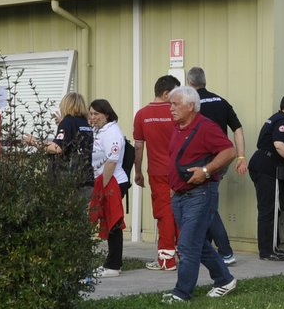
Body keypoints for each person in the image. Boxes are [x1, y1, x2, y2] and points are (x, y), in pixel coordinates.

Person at [163, 85, 238, 303]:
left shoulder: (206, 127)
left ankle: (182, 293)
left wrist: (206, 171)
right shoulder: (178, 127)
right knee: (196, 243)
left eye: (175, 104)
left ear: (191, 106)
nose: (171, 108)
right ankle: (224, 280)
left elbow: (229, 151)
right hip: (180, 194)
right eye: (170, 104)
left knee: (187, 246)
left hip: (200, 193)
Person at [187, 66, 244, 264]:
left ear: (189, 83)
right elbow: (237, 129)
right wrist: (241, 157)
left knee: (206, 204)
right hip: (223, 158)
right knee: (205, 201)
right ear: (204, 81)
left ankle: (226, 252)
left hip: (204, 162)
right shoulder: (221, 101)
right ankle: (206, 249)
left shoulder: (191, 104)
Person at [132, 76, 180, 271]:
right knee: (179, 212)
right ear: (166, 93)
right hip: (179, 171)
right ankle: (180, 254)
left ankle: (166, 259)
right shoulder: (175, 113)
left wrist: (138, 171)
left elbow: (138, 147)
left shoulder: (142, 114)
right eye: (176, 93)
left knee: (164, 213)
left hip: (158, 172)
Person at [251, 93, 284, 262]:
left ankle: (273, 247)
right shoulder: (282, 121)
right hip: (267, 167)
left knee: (273, 209)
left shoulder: (274, 118)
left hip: (260, 163)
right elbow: (279, 145)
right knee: (268, 209)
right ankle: (267, 251)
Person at [88, 98, 128, 277]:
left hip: (112, 181)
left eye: (96, 114)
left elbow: (112, 161)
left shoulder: (112, 132)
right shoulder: (99, 130)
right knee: (108, 220)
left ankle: (113, 266)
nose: (93, 117)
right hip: (103, 179)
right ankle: (111, 263)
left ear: (107, 114)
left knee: (113, 222)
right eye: (90, 113)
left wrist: (102, 188)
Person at [28, 92, 91, 186]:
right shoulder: (86, 123)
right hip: (87, 177)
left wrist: (34, 142)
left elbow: (57, 148)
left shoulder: (68, 121)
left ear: (66, 105)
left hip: (69, 181)